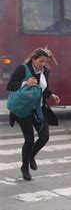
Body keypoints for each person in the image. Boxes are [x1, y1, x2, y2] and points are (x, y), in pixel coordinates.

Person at [7, 48, 60, 181]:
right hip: (24, 110)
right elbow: (10, 85)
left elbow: (44, 89)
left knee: (44, 137)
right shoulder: (22, 69)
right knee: (29, 140)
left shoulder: (45, 71)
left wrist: (51, 95)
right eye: (40, 61)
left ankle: (31, 156)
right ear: (33, 59)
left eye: (45, 61)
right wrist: (25, 83)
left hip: (39, 109)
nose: (43, 64)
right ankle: (24, 167)